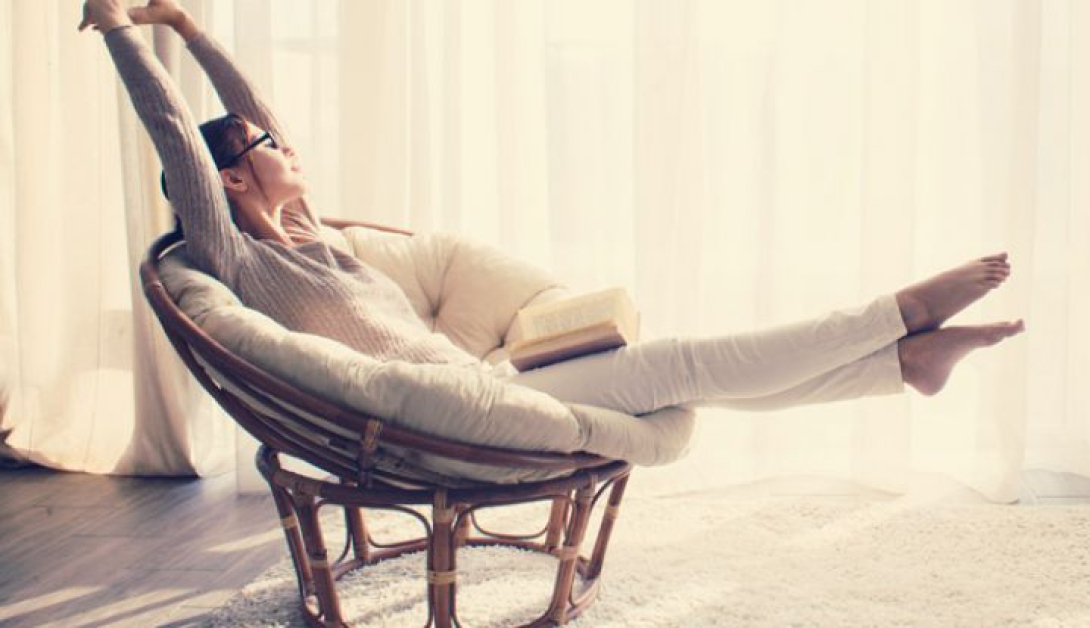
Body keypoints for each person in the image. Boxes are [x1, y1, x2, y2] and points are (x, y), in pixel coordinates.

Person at [80, 0, 1024, 420]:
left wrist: (188, 27)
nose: (287, 147)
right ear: (229, 182)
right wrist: (120, 27)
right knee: (682, 363)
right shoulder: (243, 258)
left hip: (485, 380)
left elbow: (250, 117)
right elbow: (179, 140)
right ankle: (896, 316)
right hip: (456, 409)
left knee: (683, 380)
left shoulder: (310, 233)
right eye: (263, 148)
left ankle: (902, 364)